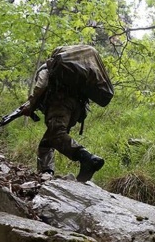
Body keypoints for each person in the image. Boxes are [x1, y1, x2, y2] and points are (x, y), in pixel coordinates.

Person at [20, 55, 105, 183]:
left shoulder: (46, 68)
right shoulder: (72, 71)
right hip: (76, 109)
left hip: (60, 103)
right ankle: (46, 173)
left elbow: (41, 86)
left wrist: (31, 105)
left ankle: (87, 158)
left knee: (56, 135)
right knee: (47, 143)